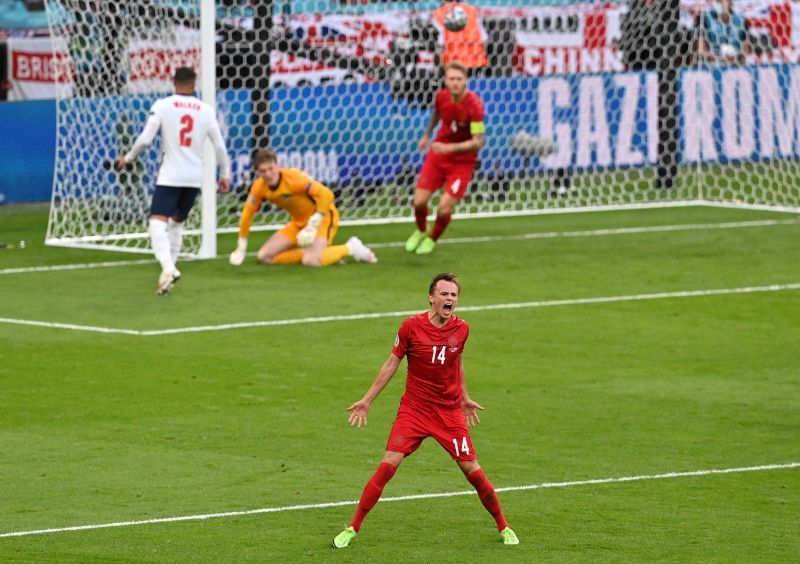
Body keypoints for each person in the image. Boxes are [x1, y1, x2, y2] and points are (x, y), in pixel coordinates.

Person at [332, 272, 518, 549]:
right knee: (388, 465)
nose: (450, 299)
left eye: (454, 295)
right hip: (415, 409)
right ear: (431, 297)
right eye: (444, 294)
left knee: (473, 472)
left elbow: (457, 363)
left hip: (449, 411)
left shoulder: (462, 328)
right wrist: (367, 400)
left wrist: (464, 397)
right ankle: (352, 527)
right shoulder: (410, 327)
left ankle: (504, 526)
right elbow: (391, 364)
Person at [117, 66, 231, 295]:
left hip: (170, 175)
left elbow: (145, 139)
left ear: (173, 81)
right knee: (177, 222)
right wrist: (225, 175)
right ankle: (168, 276)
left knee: (157, 222)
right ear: (194, 83)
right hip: (194, 177)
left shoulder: (163, 106)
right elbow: (219, 145)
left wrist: (128, 158)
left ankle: (169, 267)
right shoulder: (205, 110)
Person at [228, 149, 377, 268]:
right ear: (258, 172)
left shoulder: (294, 178)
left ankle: (351, 247)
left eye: (271, 169)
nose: (268, 174)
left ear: (278, 166)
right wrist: (241, 246)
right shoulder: (259, 187)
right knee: (264, 257)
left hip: (323, 217)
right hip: (298, 223)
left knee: (311, 262)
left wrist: (314, 223)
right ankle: (322, 253)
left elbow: (327, 194)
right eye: (263, 171)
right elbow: (248, 213)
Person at [405, 62, 485, 255]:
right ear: (445, 80)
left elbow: (479, 141)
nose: (455, 83)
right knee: (419, 202)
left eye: (459, 79)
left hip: (461, 163)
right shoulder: (441, 97)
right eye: (451, 79)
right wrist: (426, 135)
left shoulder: (474, 105)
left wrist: (450, 148)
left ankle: (432, 238)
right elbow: (437, 115)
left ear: (466, 81)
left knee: (444, 207)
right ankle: (421, 230)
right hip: (438, 157)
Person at [698, 0, 750, 65]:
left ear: (730, 3)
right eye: (717, 2)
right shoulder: (706, 19)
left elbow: (746, 49)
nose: (719, 4)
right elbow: (701, 49)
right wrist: (719, 59)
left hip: (737, 63)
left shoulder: (741, 20)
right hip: (713, 63)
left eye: (721, 1)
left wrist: (735, 59)